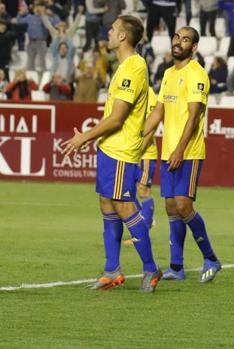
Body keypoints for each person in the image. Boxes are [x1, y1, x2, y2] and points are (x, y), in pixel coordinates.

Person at [61, 15, 162, 292]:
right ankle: (112, 270)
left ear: (122, 37)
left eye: (113, 28)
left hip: (120, 149)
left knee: (124, 207)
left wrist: (84, 136)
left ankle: (151, 269)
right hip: (109, 148)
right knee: (107, 204)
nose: (109, 30)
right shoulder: (124, 66)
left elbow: (117, 118)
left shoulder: (133, 67)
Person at [142, 26, 221, 283]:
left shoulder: (197, 74)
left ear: (194, 47)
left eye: (185, 40)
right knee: (170, 208)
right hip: (169, 152)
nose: (179, 42)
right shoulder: (167, 74)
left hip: (188, 151)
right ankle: (176, 267)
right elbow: (158, 111)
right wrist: (140, 135)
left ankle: (211, 258)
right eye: (177, 37)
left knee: (184, 205)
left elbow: (194, 116)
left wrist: (179, 148)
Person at [123, 87, 159, 246]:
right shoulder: (132, 91)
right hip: (130, 150)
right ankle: (143, 224)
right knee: (127, 190)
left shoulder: (150, 95)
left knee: (143, 190)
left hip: (145, 153)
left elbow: (151, 128)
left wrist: (138, 150)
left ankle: (143, 228)